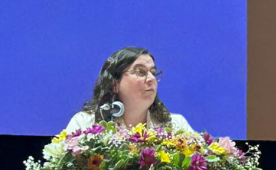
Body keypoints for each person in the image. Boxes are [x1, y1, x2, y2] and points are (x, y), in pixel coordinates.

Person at [65, 47, 195, 134]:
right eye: (140, 72)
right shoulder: (85, 124)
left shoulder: (176, 125)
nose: (151, 79)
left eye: (153, 72)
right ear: (115, 84)